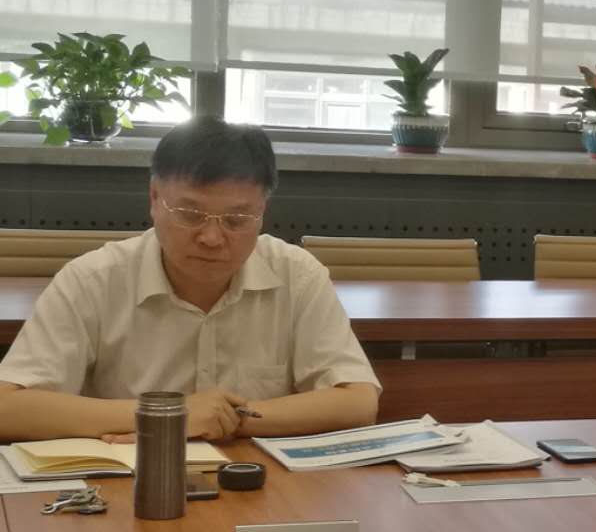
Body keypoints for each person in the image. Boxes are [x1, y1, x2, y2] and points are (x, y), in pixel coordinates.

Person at [0, 118, 380, 442]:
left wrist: (224, 419)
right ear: (154, 199)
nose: (212, 238)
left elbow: (357, 400)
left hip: (258, 484)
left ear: (262, 212)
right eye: (189, 214)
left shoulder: (297, 275)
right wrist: (168, 416)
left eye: (236, 220)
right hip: (127, 481)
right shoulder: (93, 280)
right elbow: (7, 407)